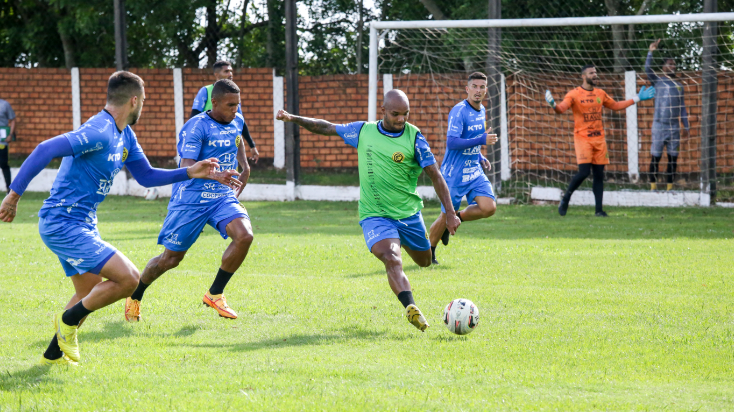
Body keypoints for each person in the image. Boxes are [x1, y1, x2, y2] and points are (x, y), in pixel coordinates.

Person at [0, 71, 241, 366]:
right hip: (63, 221)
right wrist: (14, 195)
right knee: (128, 279)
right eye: (144, 102)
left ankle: (53, 356)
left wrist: (191, 171)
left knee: (89, 292)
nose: (143, 107)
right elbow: (45, 148)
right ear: (134, 100)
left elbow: (147, 176)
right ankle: (66, 322)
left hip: (82, 221)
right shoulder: (100, 129)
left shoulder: (125, 133)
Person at [276, 89, 460, 332]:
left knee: (425, 261)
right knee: (392, 259)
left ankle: (404, 239)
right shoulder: (363, 131)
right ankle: (410, 307)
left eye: (405, 114)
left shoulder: (415, 138)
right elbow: (327, 127)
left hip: (408, 215)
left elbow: (435, 176)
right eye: (395, 114)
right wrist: (293, 118)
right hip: (375, 215)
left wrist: (450, 212)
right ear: (383, 110)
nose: (401, 119)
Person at [124, 79, 253, 322]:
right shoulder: (196, 127)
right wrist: (217, 174)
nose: (235, 110)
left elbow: (237, 140)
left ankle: (215, 293)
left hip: (221, 196)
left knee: (245, 235)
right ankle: (135, 295)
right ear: (214, 102)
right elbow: (187, 167)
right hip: (190, 198)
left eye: (237, 105)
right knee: (170, 260)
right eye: (229, 105)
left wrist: (244, 166)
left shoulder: (237, 120)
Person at [545, 65, 655, 216]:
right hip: (583, 138)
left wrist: (637, 98)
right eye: (592, 73)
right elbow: (561, 109)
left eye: (596, 72)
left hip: (599, 139)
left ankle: (599, 210)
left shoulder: (600, 93)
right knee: (583, 172)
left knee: (599, 175)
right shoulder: (574, 94)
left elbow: (615, 106)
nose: (595, 75)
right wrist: (553, 105)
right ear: (583, 76)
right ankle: (566, 198)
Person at [428, 72, 498, 265]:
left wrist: (479, 155)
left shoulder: (482, 110)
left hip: (474, 170)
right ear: (467, 89)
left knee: (489, 208)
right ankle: (429, 253)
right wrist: (482, 140)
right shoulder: (459, 111)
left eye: (482, 87)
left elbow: (470, 140)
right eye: (474, 86)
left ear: (486, 90)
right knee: (444, 216)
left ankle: (457, 216)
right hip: (455, 174)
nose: (478, 90)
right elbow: (452, 142)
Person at [191, 60, 260, 164]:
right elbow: (194, 119)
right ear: (217, 74)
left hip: (228, 145)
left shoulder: (233, 95)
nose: (230, 74)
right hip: (210, 145)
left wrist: (252, 145)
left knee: (230, 173)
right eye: (226, 71)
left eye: (231, 71)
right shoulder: (205, 91)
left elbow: (240, 122)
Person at [645, 39, 690, 191]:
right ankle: (653, 187)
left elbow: (682, 107)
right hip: (659, 126)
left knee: (672, 159)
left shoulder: (679, 86)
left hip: (674, 127)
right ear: (663, 67)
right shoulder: (657, 81)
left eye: (674, 64)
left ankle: (670, 188)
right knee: (656, 157)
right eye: (669, 64)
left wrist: (686, 126)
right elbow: (647, 69)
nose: (672, 66)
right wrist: (651, 51)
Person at [0, 97, 15, 191]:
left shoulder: (4, 104)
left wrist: (10, 134)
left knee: (4, 164)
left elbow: (13, 119)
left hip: (2, 142)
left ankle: (9, 190)